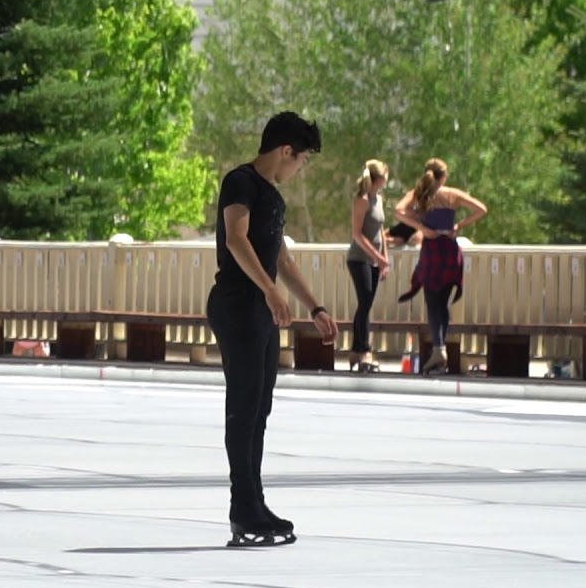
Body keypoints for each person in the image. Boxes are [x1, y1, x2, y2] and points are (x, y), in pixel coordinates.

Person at [206, 111, 337, 547]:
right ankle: (242, 505)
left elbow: (281, 258)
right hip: (237, 305)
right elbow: (235, 239)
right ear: (285, 151)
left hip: (260, 308)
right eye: (301, 161)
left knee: (259, 408)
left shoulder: (272, 197)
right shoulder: (240, 182)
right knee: (243, 406)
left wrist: (314, 306)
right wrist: (269, 292)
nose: (299, 169)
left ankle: (254, 503)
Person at [394, 158, 487, 374]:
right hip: (450, 250)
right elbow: (481, 209)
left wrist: (421, 226)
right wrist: (458, 226)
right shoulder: (452, 194)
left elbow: (398, 211)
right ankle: (439, 347)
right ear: (444, 176)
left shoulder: (420, 193)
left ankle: (439, 349)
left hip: (432, 249)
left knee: (432, 302)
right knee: (443, 303)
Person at [345, 159, 391, 372]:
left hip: (374, 260)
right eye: (384, 178)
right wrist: (376, 256)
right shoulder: (361, 200)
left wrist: (384, 258)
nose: (386, 181)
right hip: (359, 258)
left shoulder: (378, 199)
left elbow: (380, 229)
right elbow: (358, 234)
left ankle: (357, 350)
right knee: (364, 302)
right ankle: (364, 349)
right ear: (375, 178)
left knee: (367, 305)